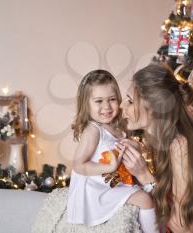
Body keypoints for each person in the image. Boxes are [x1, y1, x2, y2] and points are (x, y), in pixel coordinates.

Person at [117, 64, 193, 233]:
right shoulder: (166, 140)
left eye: (129, 100)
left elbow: (184, 227)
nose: (122, 105)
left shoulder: (181, 146)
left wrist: (143, 174)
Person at [67, 69, 159, 233]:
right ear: (86, 104)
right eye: (99, 101)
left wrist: (136, 146)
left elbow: (123, 149)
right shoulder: (93, 130)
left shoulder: (120, 127)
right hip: (96, 191)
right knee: (144, 199)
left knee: (152, 195)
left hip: (115, 183)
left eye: (112, 99)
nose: (107, 107)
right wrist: (109, 167)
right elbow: (79, 165)